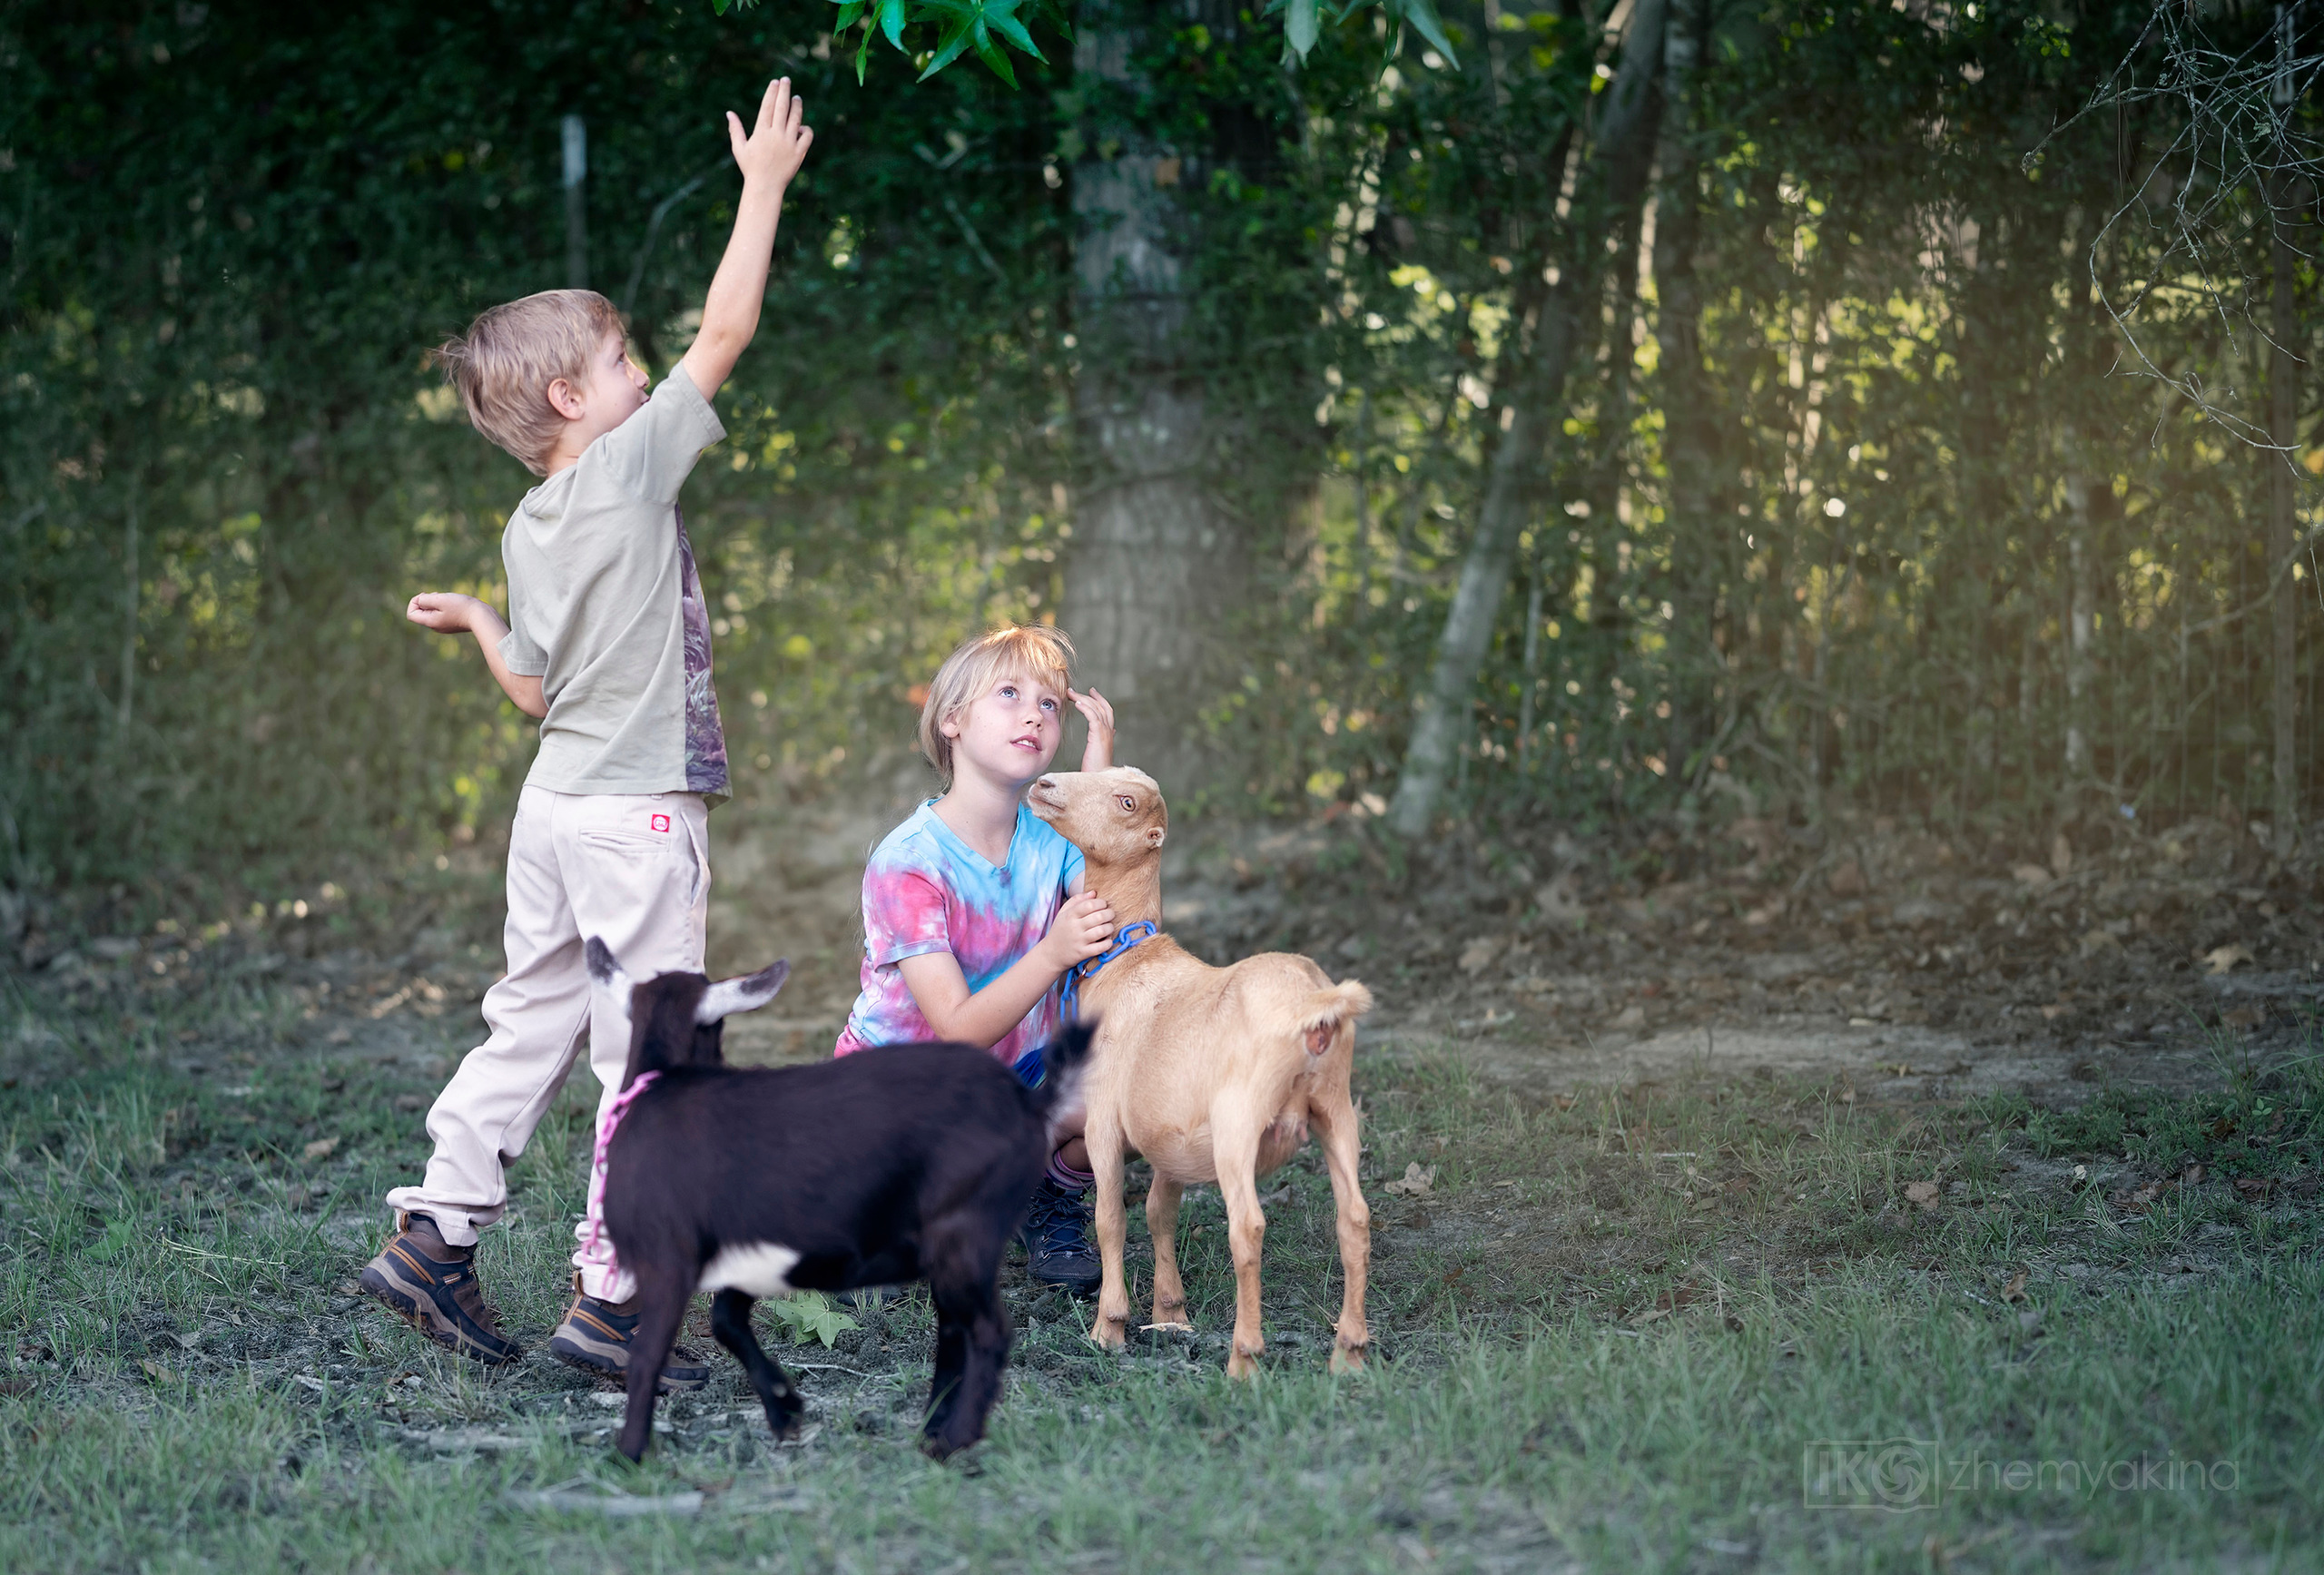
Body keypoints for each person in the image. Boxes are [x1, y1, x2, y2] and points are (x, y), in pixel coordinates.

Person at [359, 79, 814, 1385]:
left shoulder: (528, 522)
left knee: (532, 1016)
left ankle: (436, 1228)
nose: (643, 372)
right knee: (647, 1054)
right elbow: (727, 330)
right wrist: (765, 185)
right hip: (633, 816)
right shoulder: (623, 468)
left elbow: (536, 697)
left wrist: (487, 629)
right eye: (623, 361)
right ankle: (615, 1295)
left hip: (553, 810)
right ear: (572, 398)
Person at [835, 625, 1119, 1291]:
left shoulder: (1048, 841)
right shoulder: (909, 861)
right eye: (1011, 694)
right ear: (954, 720)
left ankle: (1047, 1192)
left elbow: (1106, 892)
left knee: (1113, 1088)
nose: (1035, 713)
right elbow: (958, 1026)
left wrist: (1101, 754)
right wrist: (1053, 951)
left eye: (1050, 704)